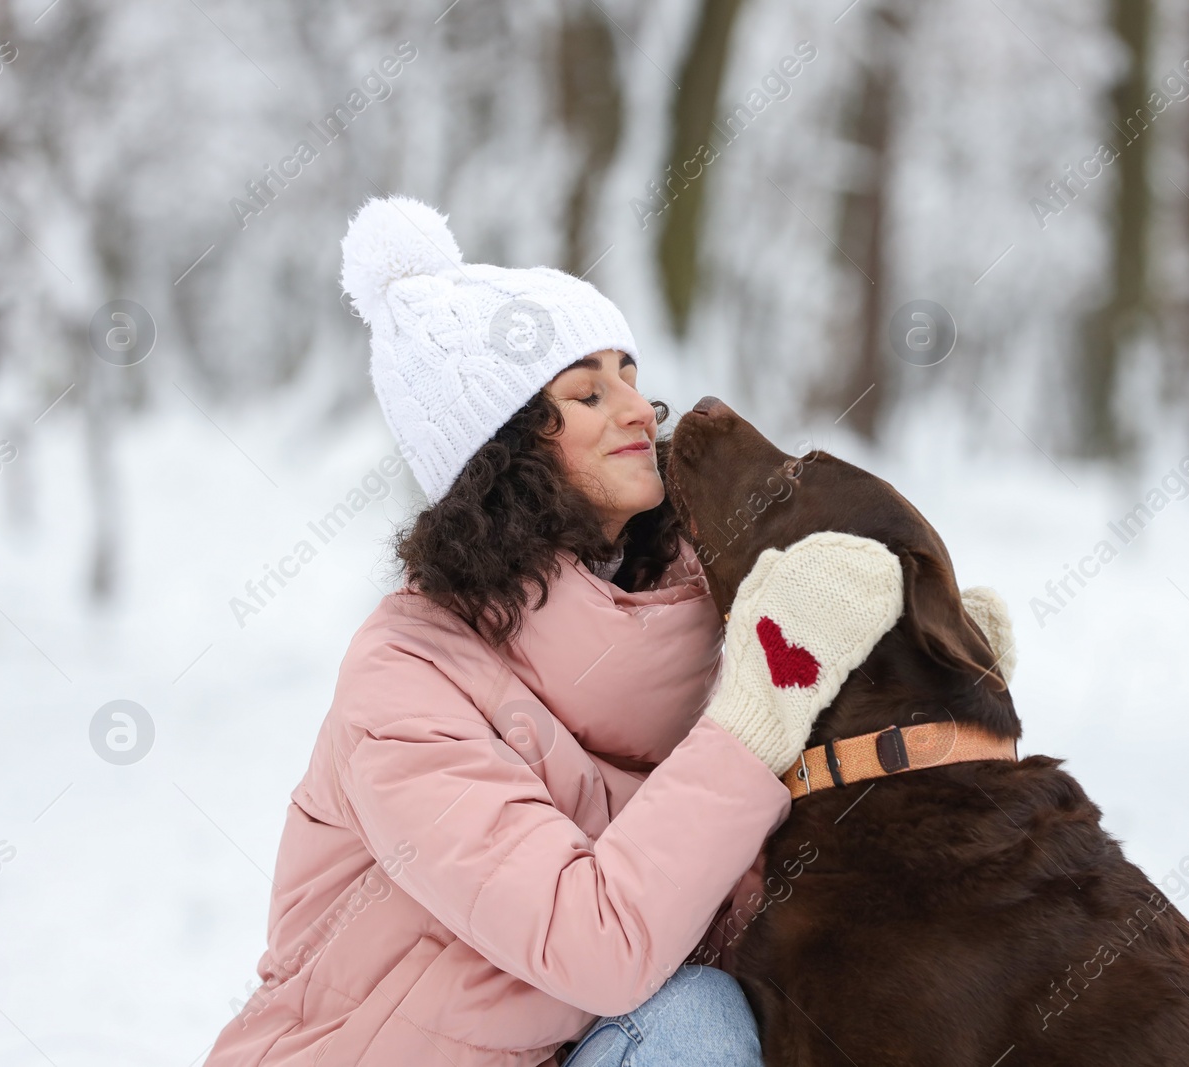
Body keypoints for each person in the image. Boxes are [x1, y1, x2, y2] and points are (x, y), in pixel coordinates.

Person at [203, 196, 908, 1067]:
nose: (639, 408)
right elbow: (600, 947)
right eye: (587, 391)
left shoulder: (701, 648)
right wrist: (752, 722)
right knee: (693, 1019)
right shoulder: (405, 683)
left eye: (629, 373)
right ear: (505, 452)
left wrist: (924, 673)